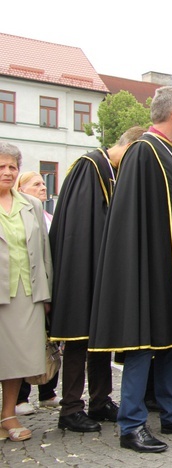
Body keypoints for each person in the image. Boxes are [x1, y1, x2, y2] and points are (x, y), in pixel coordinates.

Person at [88, 87, 172, 453]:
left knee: (171, 343)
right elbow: (134, 217)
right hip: (151, 267)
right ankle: (131, 425)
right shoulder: (144, 151)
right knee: (143, 344)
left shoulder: (171, 155)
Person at [49, 127, 141, 433]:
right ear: (127, 147)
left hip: (103, 267)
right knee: (78, 338)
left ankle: (100, 401)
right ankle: (71, 408)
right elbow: (79, 227)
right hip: (82, 267)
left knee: (101, 338)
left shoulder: (113, 171)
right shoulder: (89, 166)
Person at [0, 143, 52, 442]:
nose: (7, 172)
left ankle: (8, 414)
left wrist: (46, 295)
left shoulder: (31, 205)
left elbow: (44, 252)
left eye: (12, 167)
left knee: (16, 357)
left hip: (25, 290)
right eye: (1, 167)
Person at [14, 172, 58, 416]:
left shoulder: (47, 214)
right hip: (23, 284)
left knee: (49, 342)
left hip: (45, 283)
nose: (43, 187)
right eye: (36, 184)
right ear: (22, 188)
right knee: (24, 343)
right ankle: (21, 396)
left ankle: (48, 391)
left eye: (44, 183)